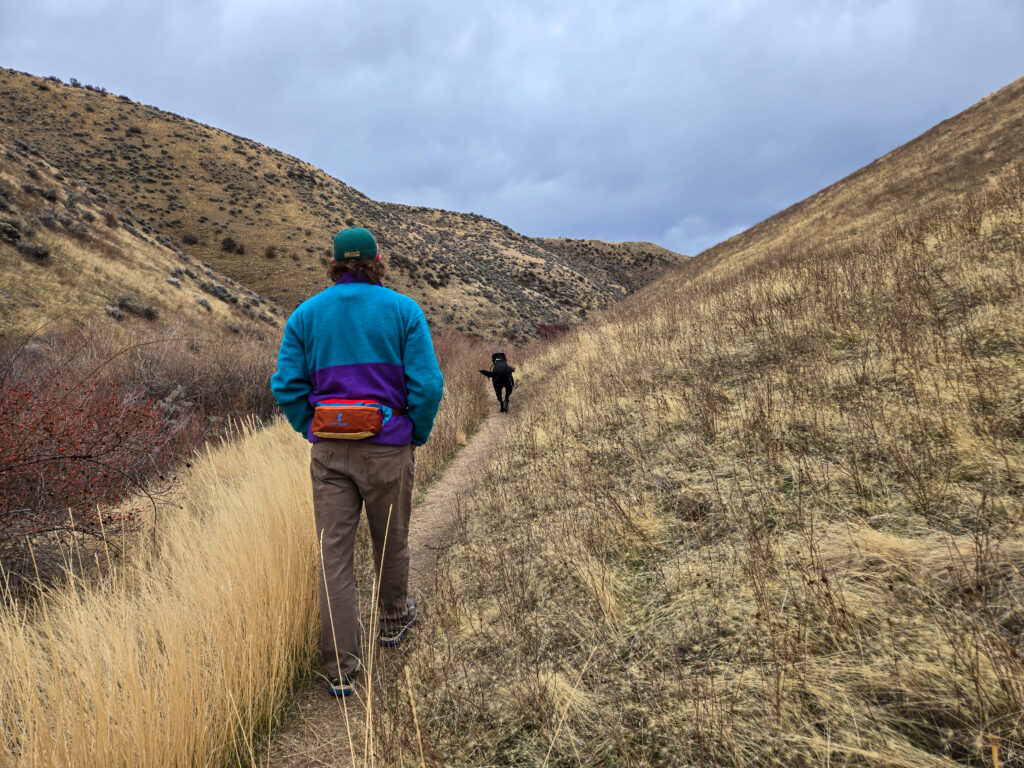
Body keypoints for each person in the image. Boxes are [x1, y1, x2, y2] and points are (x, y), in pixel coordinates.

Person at [271, 226, 444, 697]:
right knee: (391, 540)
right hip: (389, 447)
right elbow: (427, 387)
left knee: (334, 558)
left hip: (329, 453)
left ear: (334, 263)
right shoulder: (403, 311)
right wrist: (415, 433)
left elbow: (286, 386)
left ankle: (342, 669)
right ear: (377, 262)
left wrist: (313, 428)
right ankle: (391, 623)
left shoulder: (305, 316)